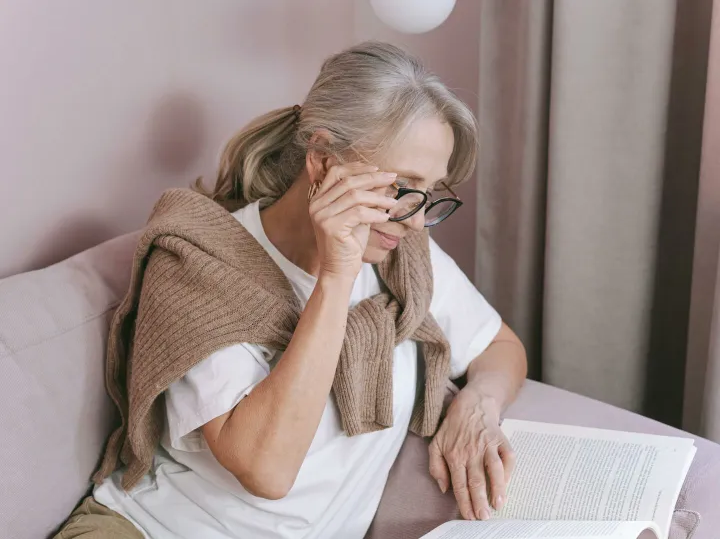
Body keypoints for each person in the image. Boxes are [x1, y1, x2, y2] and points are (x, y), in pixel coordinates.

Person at [55, 41, 527, 539]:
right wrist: (335, 276)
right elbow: (267, 470)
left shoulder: (404, 257)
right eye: (400, 187)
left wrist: (479, 404)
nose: (415, 219)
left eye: (430, 193)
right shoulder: (199, 265)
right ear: (322, 161)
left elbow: (501, 347)